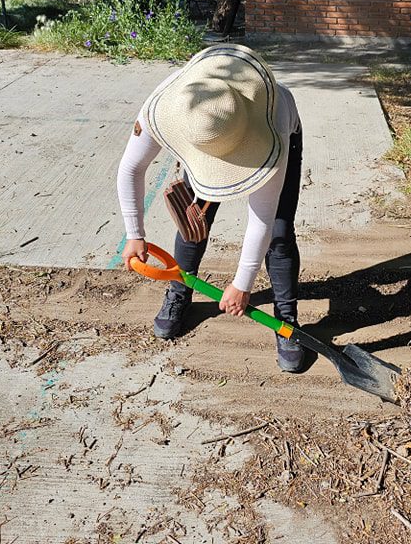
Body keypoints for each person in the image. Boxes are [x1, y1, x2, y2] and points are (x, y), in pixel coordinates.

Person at [117, 44, 305, 373]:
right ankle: (180, 291)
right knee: (193, 219)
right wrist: (134, 233)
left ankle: (286, 322)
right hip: (209, 134)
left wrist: (242, 284)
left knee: (279, 232)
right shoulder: (172, 109)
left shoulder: (276, 120)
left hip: (266, 132)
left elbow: (262, 219)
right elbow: (131, 169)